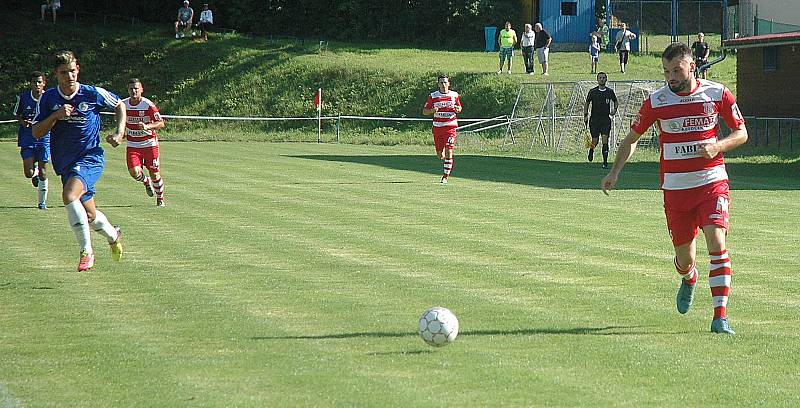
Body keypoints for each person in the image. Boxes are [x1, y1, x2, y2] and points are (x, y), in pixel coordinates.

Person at [601, 43, 748, 335]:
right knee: (685, 259)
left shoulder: (717, 93)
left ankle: (720, 318)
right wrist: (614, 172)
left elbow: (741, 132)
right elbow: (631, 139)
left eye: (677, 70)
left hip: (712, 183)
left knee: (717, 244)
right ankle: (689, 276)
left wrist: (717, 146)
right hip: (676, 191)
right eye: (667, 71)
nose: (671, 77)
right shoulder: (657, 102)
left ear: (692, 67)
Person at [32, 50, 125, 272]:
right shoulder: (49, 98)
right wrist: (55, 116)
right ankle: (113, 236)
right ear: (56, 74)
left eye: (73, 71)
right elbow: (36, 132)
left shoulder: (92, 93)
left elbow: (119, 105)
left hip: (90, 157)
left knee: (69, 195)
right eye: (64, 72)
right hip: (65, 162)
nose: (70, 76)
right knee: (90, 215)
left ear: (78, 70)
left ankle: (86, 252)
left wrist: (119, 133)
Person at [107, 78, 167, 207]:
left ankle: (160, 198)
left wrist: (147, 127)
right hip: (133, 145)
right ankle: (146, 182)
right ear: (128, 90)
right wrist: (115, 137)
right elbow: (121, 126)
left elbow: (161, 123)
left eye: (136, 88)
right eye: (131, 89)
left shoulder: (147, 105)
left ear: (141, 90)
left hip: (149, 144)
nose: (134, 91)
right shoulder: (122, 105)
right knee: (134, 172)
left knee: (155, 173)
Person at [13, 71, 50, 210]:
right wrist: (23, 122)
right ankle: (33, 172)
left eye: (40, 82)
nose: (37, 84)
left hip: (44, 138)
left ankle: (42, 203)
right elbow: (17, 115)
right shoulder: (23, 98)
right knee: (29, 173)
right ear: (30, 83)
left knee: (43, 172)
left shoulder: (49, 97)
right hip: (28, 138)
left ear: (44, 83)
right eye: (34, 82)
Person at [422, 75, 462, 185]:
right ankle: (443, 156)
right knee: (440, 155)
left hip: (450, 126)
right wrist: (432, 110)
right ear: (438, 84)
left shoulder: (454, 95)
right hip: (438, 127)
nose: (443, 85)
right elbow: (424, 111)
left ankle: (445, 177)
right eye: (441, 83)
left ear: (449, 83)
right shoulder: (433, 96)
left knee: (449, 150)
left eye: (445, 82)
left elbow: (459, 108)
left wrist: (458, 109)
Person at [583, 72, 617, 168]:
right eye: (600, 78)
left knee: (605, 140)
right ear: (597, 80)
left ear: (606, 79)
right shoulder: (593, 91)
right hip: (594, 120)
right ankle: (591, 150)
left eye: (603, 78)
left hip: (605, 120)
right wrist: (585, 115)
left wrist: (614, 109)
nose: (602, 79)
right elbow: (587, 103)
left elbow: (615, 101)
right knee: (595, 140)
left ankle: (605, 162)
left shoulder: (609, 92)